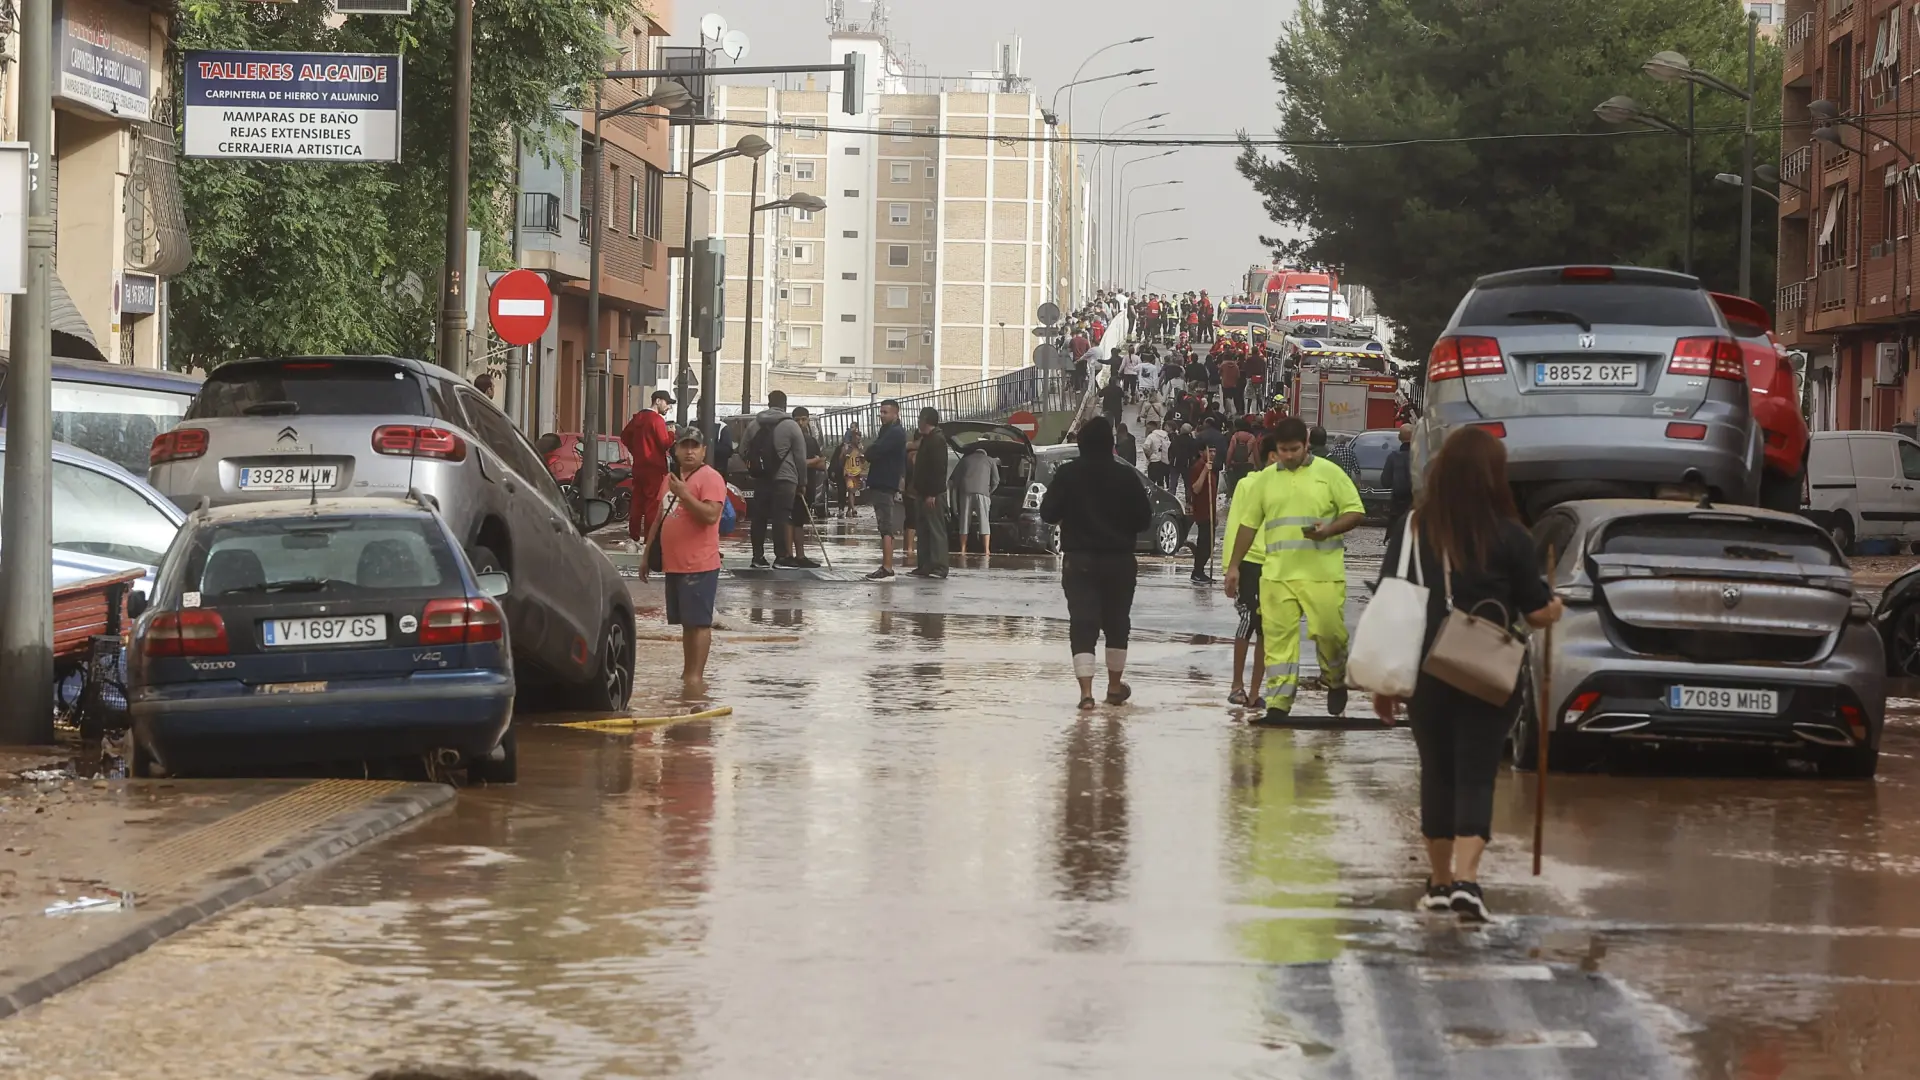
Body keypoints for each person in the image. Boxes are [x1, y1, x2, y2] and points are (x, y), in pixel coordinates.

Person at [1373, 427, 1561, 921]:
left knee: (1436, 773)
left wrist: (1384, 683)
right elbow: (1537, 612)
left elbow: (1388, 600)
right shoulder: (1512, 536)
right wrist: (1554, 606)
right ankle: (1467, 883)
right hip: (1488, 670)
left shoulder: (1413, 528)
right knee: (1477, 775)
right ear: (1494, 476)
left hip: (1425, 670)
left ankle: (1437, 883)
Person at [1223, 416, 1366, 726]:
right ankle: (1279, 702)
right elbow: (1248, 526)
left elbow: (1355, 511)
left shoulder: (1330, 474)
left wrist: (1329, 529)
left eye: (1294, 449)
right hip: (1276, 575)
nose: (1287, 456)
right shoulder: (1265, 481)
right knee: (1277, 642)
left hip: (1322, 574)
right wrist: (1234, 566)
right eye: (1283, 450)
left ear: (1307, 445)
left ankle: (1335, 678)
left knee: (1330, 634)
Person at [1039, 417, 1154, 711]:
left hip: (1080, 561)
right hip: (1119, 561)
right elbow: (1144, 520)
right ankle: (1114, 688)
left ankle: (1086, 695)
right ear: (1111, 445)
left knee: (1083, 625)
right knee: (1117, 624)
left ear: (1081, 445)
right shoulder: (1127, 477)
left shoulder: (1068, 474)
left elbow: (1048, 513)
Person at [638, 427, 727, 699]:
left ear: (703, 451)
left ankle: (695, 679)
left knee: (699, 623)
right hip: (674, 563)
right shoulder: (670, 479)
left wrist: (685, 494)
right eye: (684, 446)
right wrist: (646, 554)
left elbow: (711, 516)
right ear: (675, 450)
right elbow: (658, 518)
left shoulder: (710, 478)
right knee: (686, 623)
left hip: (699, 563)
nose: (689, 451)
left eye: (695, 446)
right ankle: (688, 674)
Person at [1226, 433, 1280, 708]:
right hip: (1250, 564)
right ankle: (1237, 686)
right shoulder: (1249, 485)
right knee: (1248, 620)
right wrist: (1230, 567)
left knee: (1267, 629)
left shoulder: (1290, 488)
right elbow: (1235, 523)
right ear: (1273, 456)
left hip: (1277, 566)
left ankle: (1256, 691)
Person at [743, 390, 807, 569]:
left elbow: (742, 450)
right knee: (781, 517)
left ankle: (757, 558)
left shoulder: (755, 424)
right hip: (786, 478)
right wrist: (802, 482)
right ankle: (781, 557)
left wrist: (755, 467)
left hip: (762, 478)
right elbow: (800, 458)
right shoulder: (791, 426)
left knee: (759, 518)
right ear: (785, 404)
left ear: (769, 402)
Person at [620, 390, 677, 545]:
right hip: (655, 467)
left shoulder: (638, 418)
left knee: (637, 501)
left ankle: (634, 535)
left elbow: (624, 437)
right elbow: (665, 444)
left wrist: (636, 451)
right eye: (667, 403)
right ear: (658, 401)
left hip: (639, 466)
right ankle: (649, 538)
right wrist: (671, 434)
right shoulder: (656, 420)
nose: (668, 408)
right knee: (653, 503)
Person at [864, 400, 908, 580]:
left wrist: (869, 452)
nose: (882, 415)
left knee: (886, 525)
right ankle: (886, 566)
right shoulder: (887, 431)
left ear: (895, 414)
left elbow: (876, 451)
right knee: (883, 525)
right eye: (881, 412)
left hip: (885, 482)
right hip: (881, 482)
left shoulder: (895, 432)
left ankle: (887, 567)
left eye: (885, 412)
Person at [911, 407, 951, 579]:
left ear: (926, 420)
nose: (918, 422)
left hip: (932, 494)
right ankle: (925, 565)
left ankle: (939, 566)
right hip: (922, 492)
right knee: (924, 530)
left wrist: (932, 494)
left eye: (920, 418)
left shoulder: (937, 440)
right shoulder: (928, 439)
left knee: (935, 531)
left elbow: (938, 469)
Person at [783, 407, 825, 568]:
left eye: (803, 419)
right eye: (797, 420)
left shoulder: (810, 441)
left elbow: (822, 463)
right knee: (790, 520)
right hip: (794, 484)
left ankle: (800, 555)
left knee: (800, 521)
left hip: (809, 484)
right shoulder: (790, 440)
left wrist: (815, 462)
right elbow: (795, 463)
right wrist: (813, 461)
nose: (800, 423)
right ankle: (789, 554)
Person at [953, 444, 1001, 557]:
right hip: (982, 493)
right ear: (984, 453)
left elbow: (955, 480)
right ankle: (986, 550)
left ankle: (963, 549)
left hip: (965, 491)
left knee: (964, 521)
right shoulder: (990, 460)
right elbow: (996, 480)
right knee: (984, 521)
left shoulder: (965, 460)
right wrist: (989, 491)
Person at [1187, 445, 1218, 585]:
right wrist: (1205, 471)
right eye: (1210, 451)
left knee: (1209, 545)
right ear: (1201, 452)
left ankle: (1201, 571)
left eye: (1214, 452)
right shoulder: (1198, 468)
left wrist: (1215, 514)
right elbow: (1196, 488)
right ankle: (1197, 572)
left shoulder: (1211, 469)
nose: (1212, 454)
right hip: (1202, 513)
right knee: (1203, 544)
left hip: (1210, 513)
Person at [1382, 423, 1415, 525]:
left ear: (1399, 438)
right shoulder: (1420, 457)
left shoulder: (1393, 457)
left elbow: (1385, 482)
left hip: (1398, 504)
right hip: (1416, 504)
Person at [1141, 419, 1171, 489]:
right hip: (1164, 461)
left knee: (1151, 482)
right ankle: (1161, 496)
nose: (1147, 430)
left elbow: (1145, 447)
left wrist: (1150, 456)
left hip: (1154, 462)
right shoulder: (1165, 435)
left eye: (1148, 428)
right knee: (1160, 481)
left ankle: (1152, 498)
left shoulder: (1151, 436)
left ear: (1152, 427)